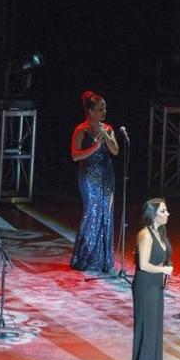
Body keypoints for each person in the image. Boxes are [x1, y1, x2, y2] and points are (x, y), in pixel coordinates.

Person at [127, 198, 173, 360]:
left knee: (154, 331)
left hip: (155, 286)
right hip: (145, 286)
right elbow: (144, 265)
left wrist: (164, 271)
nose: (167, 214)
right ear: (153, 214)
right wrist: (164, 269)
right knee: (146, 330)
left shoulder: (159, 233)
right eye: (163, 211)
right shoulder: (145, 234)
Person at [69, 90, 119, 272]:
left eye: (104, 109)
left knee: (106, 214)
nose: (103, 113)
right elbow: (75, 156)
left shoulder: (108, 129)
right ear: (90, 111)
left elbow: (115, 151)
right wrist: (95, 146)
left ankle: (102, 260)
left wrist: (106, 138)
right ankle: (84, 257)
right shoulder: (81, 130)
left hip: (107, 176)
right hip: (89, 176)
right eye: (99, 109)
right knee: (92, 212)